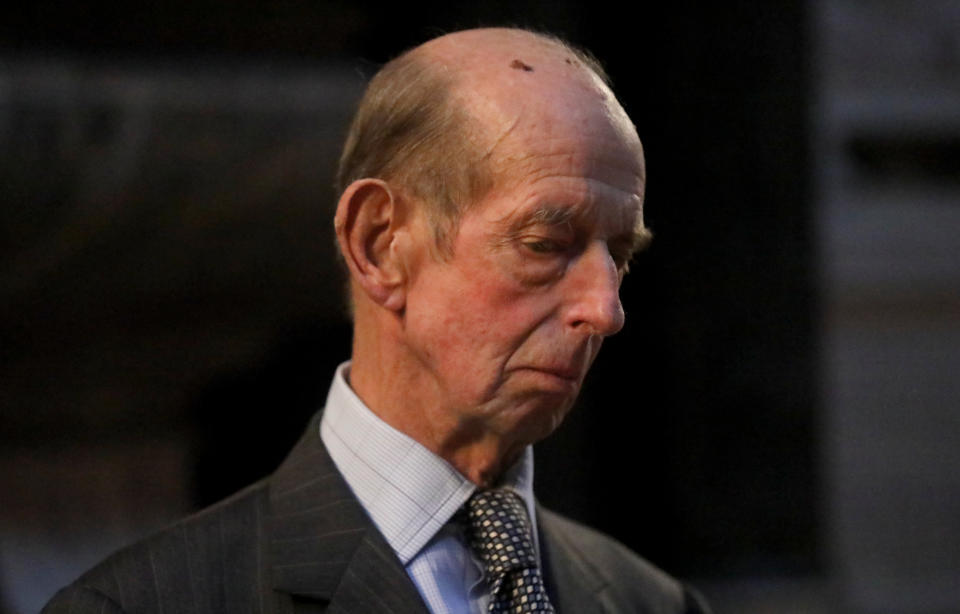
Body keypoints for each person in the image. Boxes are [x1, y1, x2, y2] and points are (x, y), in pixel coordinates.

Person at [43, 27, 710, 614]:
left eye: (618, 256)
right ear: (380, 243)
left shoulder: (649, 601)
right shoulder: (145, 604)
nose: (605, 310)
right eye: (544, 244)